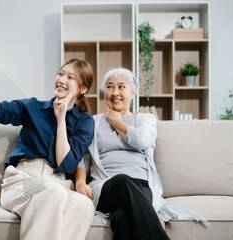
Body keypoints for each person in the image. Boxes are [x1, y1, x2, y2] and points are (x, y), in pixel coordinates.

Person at [0, 48, 95, 240]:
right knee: (54, 193)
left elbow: (66, 164)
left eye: (70, 77)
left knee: (83, 204)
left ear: (82, 89)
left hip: (57, 182)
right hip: (22, 180)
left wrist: (61, 120)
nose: (61, 79)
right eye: (60, 74)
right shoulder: (33, 107)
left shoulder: (84, 121)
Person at [75, 68, 208, 240]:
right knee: (122, 180)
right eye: (109, 87)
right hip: (107, 186)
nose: (115, 92)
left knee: (121, 218)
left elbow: (143, 140)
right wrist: (79, 183)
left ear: (133, 92)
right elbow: (83, 158)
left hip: (143, 187)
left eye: (121, 86)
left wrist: (116, 121)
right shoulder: (94, 121)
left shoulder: (145, 119)